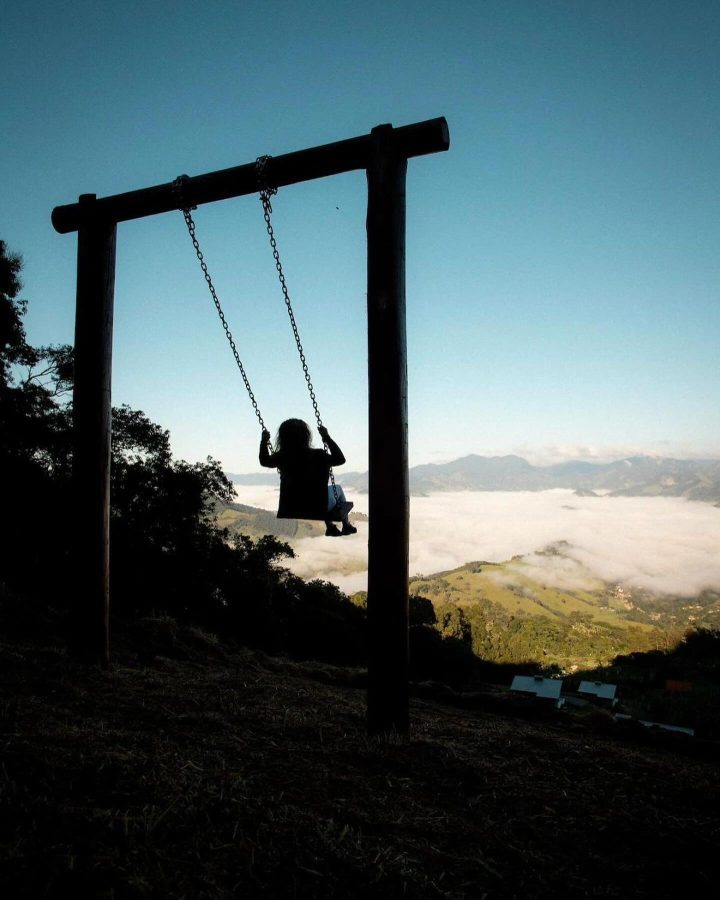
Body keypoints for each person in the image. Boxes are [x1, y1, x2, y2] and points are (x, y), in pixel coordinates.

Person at [259, 419, 357, 537]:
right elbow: (340, 459)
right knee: (337, 489)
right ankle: (346, 525)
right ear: (306, 436)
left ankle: (331, 527)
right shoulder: (319, 455)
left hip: (292, 506)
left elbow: (264, 461)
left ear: (283, 438)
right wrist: (327, 437)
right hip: (319, 507)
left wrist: (264, 441)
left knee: (317, 494)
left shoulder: (282, 457)